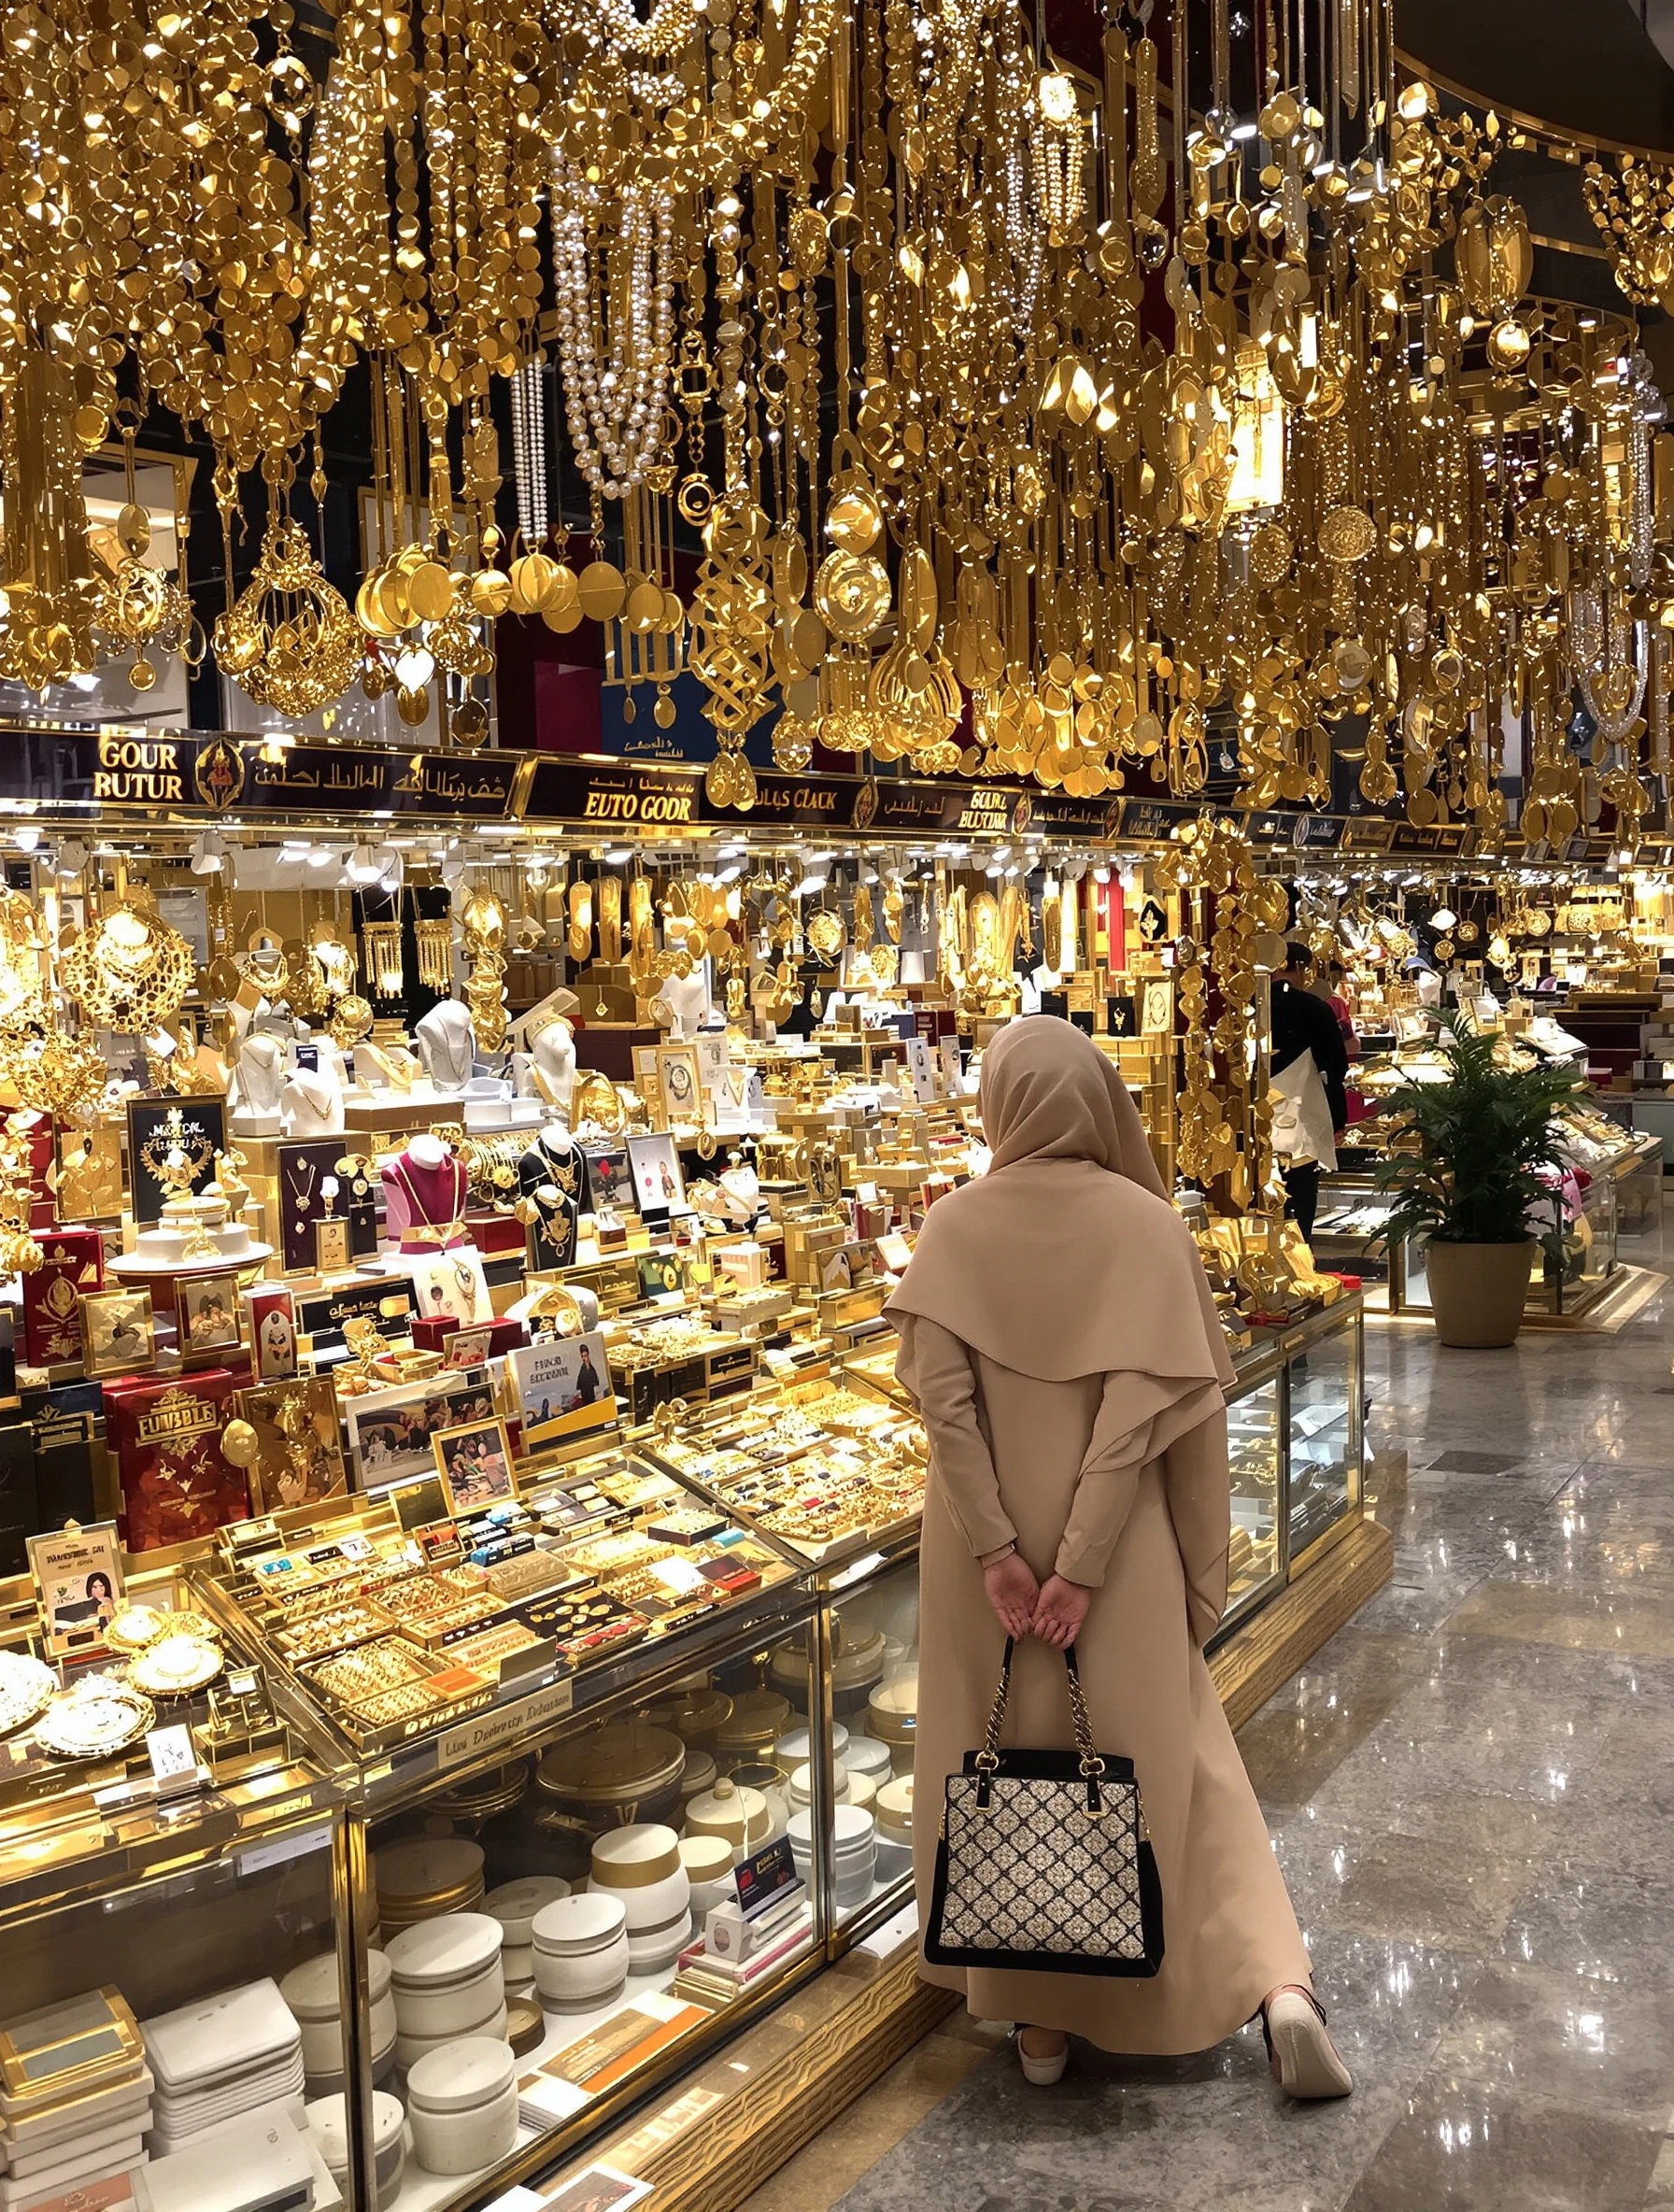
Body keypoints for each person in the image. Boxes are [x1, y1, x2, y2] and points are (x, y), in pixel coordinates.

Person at [886, 1018, 1350, 2098]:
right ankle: (1276, 1985)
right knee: (1170, 1759)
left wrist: (1002, 1554)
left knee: (1001, 1767)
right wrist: (1118, 1565)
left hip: (977, 1566)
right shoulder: (1147, 1230)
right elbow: (1165, 1424)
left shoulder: (953, 1231)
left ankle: (1038, 2028)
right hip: (1120, 1562)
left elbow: (945, 1413)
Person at [1270, 943, 1349, 1243]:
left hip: (1249, 1121)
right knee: (1299, 1195)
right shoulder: (1314, 1008)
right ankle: (1299, 1258)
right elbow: (1335, 1067)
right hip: (1299, 1116)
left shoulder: (1244, 1005)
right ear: (1301, 968)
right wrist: (1337, 1120)